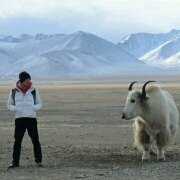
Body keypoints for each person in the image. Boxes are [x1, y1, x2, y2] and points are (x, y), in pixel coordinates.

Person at [7, 71, 43, 168]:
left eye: (29, 80)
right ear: (22, 81)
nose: (29, 82)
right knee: (17, 141)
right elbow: (9, 105)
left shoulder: (34, 91)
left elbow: (40, 104)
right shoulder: (14, 91)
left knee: (35, 140)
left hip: (31, 119)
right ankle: (15, 162)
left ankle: (39, 161)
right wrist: (16, 109)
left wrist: (33, 108)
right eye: (27, 80)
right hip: (19, 119)